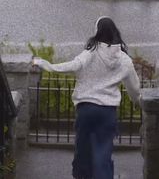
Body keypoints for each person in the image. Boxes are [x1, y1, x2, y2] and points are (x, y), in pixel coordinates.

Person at [33, 16, 141, 179]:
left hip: (86, 110)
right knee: (103, 153)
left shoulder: (90, 53)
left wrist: (44, 64)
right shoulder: (124, 60)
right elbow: (134, 88)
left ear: (97, 31)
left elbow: (71, 66)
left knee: (83, 151)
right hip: (107, 112)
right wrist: (137, 101)